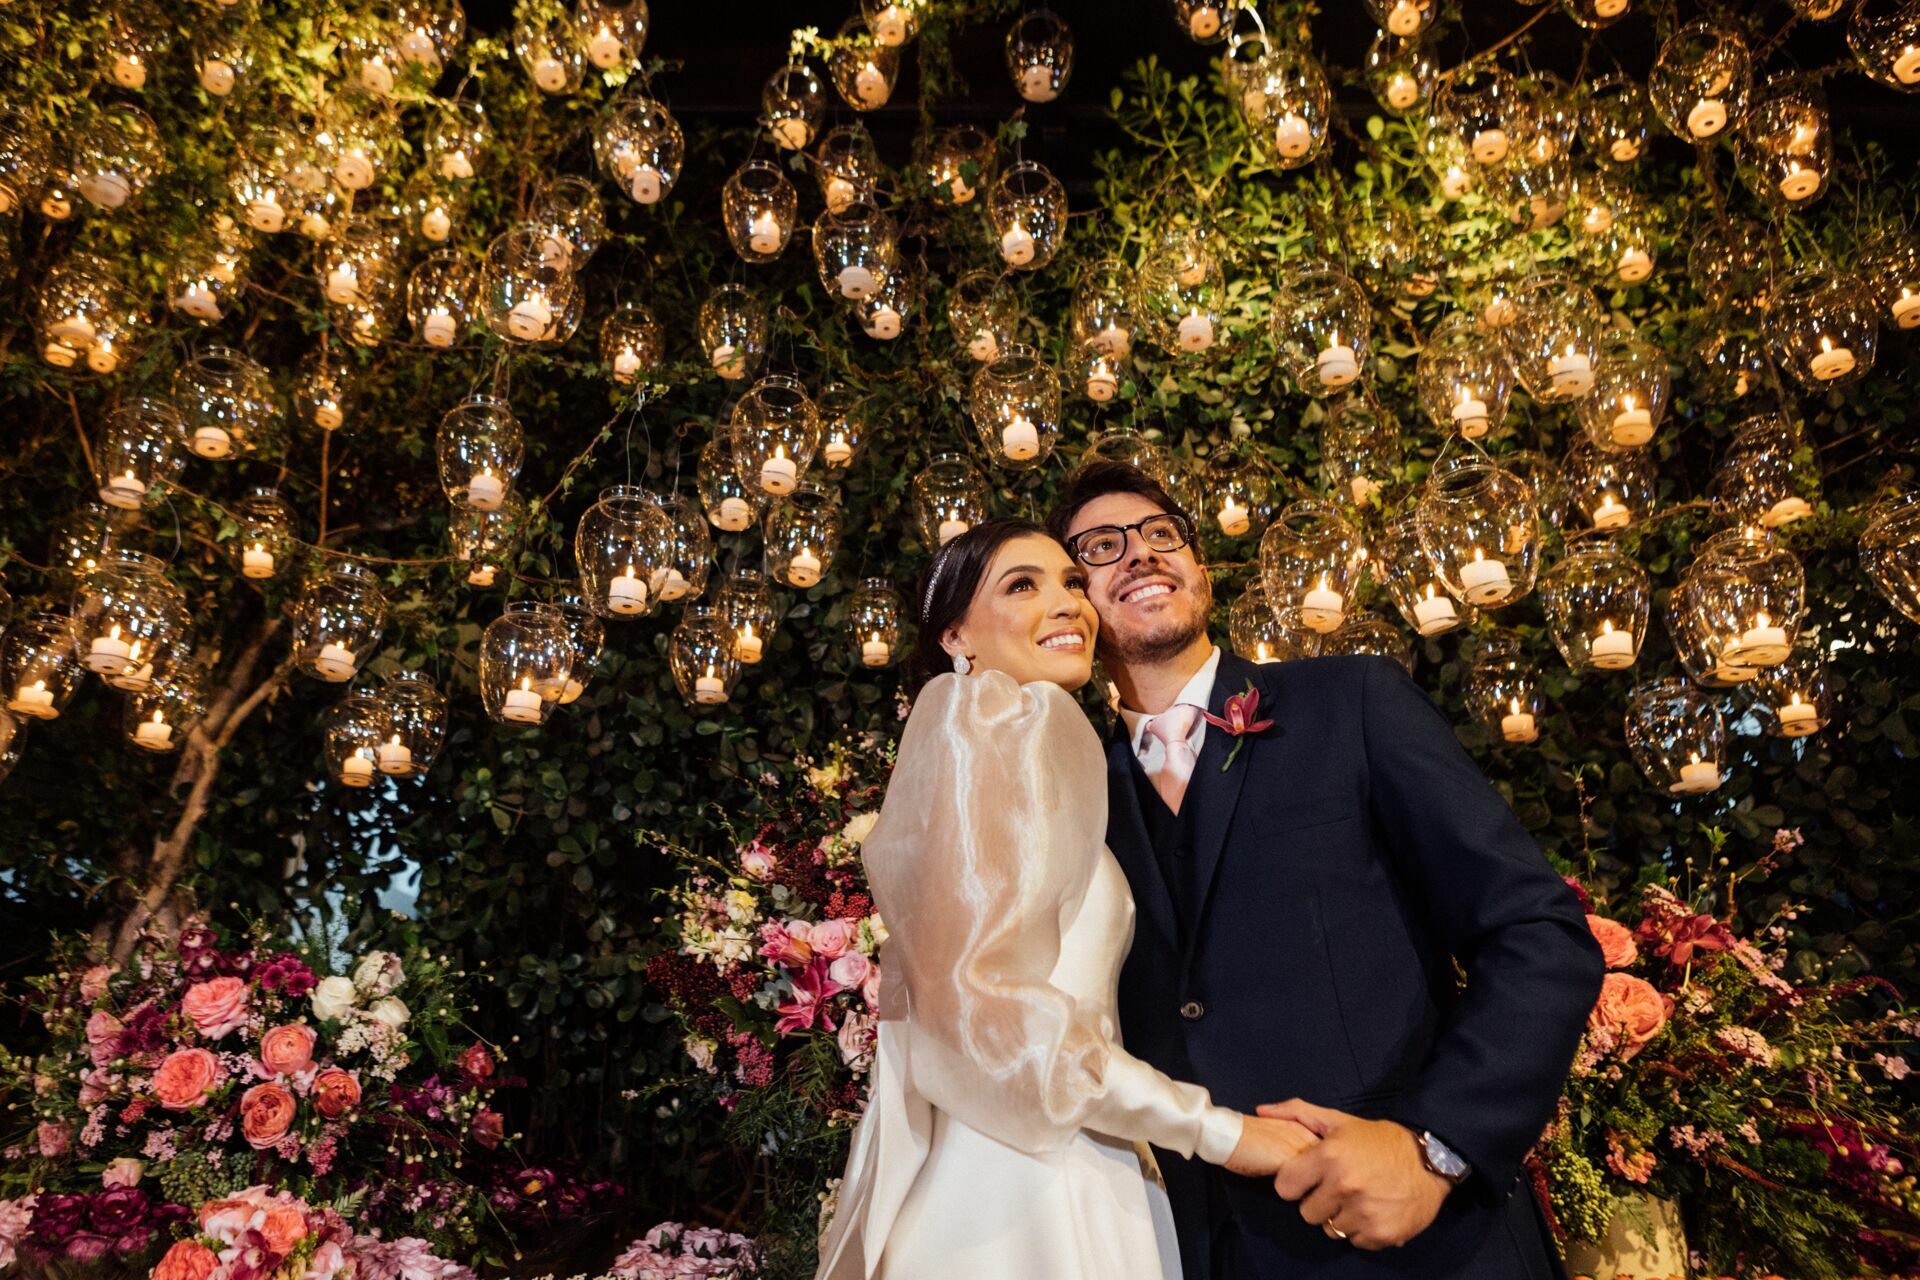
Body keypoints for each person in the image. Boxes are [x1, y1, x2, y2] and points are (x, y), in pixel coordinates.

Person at [1046, 462, 1607, 1280]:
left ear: (1201, 568)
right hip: (1195, 1247)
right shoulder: (1070, 793)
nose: (1141, 554)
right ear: (1072, 602)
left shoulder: (1351, 701)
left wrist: (1434, 1148)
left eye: (1163, 534)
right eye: (1101, 547)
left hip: (1421, 1243)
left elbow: (1537, 933)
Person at [815, 518, 1319, 1280]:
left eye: (1071, 583)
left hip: (1063, 1158)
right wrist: (1221, 1134)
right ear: (956, 635)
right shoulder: (988, 724)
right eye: (1023, 586)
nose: (1069, 605)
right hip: (1016, 1198)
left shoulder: (1020, 736)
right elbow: (976, 1005)